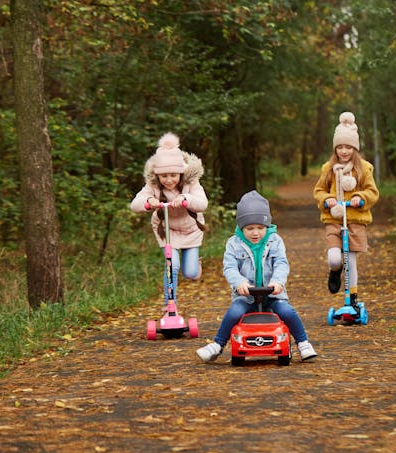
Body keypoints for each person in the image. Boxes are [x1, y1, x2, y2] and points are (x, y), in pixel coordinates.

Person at [196, 190, 317, 363]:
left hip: (273, 294)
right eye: (250, 228)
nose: (255, 233)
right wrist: (239, 282)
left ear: (266, 226)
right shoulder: (233, 243)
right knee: (234, 312)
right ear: (241, 227)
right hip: (246, 296)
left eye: (260, 228)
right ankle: (217, 344)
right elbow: (229, 267)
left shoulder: (274, 240)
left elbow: (281, 263)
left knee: (287, 311)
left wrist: (277, 281)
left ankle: (303, 342)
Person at [130, 132, 208, 304]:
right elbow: (135, 204)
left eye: (173, 175)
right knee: (171, 266)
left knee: (190, 272)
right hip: (167, 230)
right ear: (157, 175)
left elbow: (203, 203)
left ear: (181, 173)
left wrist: (186, 200)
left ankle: (195, 265)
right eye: (164, 176)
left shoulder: (191, 183)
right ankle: (169, 306)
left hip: (190, 230)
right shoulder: (153, 185)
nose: (169, 180)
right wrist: (148, 202)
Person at [313, 111, 380, 305]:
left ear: (355, 148)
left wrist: (360, 197)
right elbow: (318, 190)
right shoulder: (328, 169)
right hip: (334, 220)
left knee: (350, 262)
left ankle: (351, 298)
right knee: (335, 258)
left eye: (348, 147)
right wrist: (327, 200)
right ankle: (335, 272)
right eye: (340, 147)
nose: (344, 151)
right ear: (335, 149)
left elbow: (372, 191)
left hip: (355, 220)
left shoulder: (364, 168)